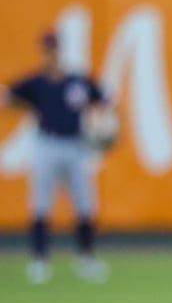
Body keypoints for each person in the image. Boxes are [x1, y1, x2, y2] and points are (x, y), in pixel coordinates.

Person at [3, 31, 114, 285]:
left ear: (60, 50)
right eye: (47, 49)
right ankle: (39, 260)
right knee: (40, 205)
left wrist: (110, 119)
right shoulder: (36, 82)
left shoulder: (77, 80)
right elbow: (7, 96)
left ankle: (86, 259)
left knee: (85, 205)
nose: (50, 53)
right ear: (42, 51)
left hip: (75, 145)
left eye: (53, 48)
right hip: (46, 144)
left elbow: (106, 97)